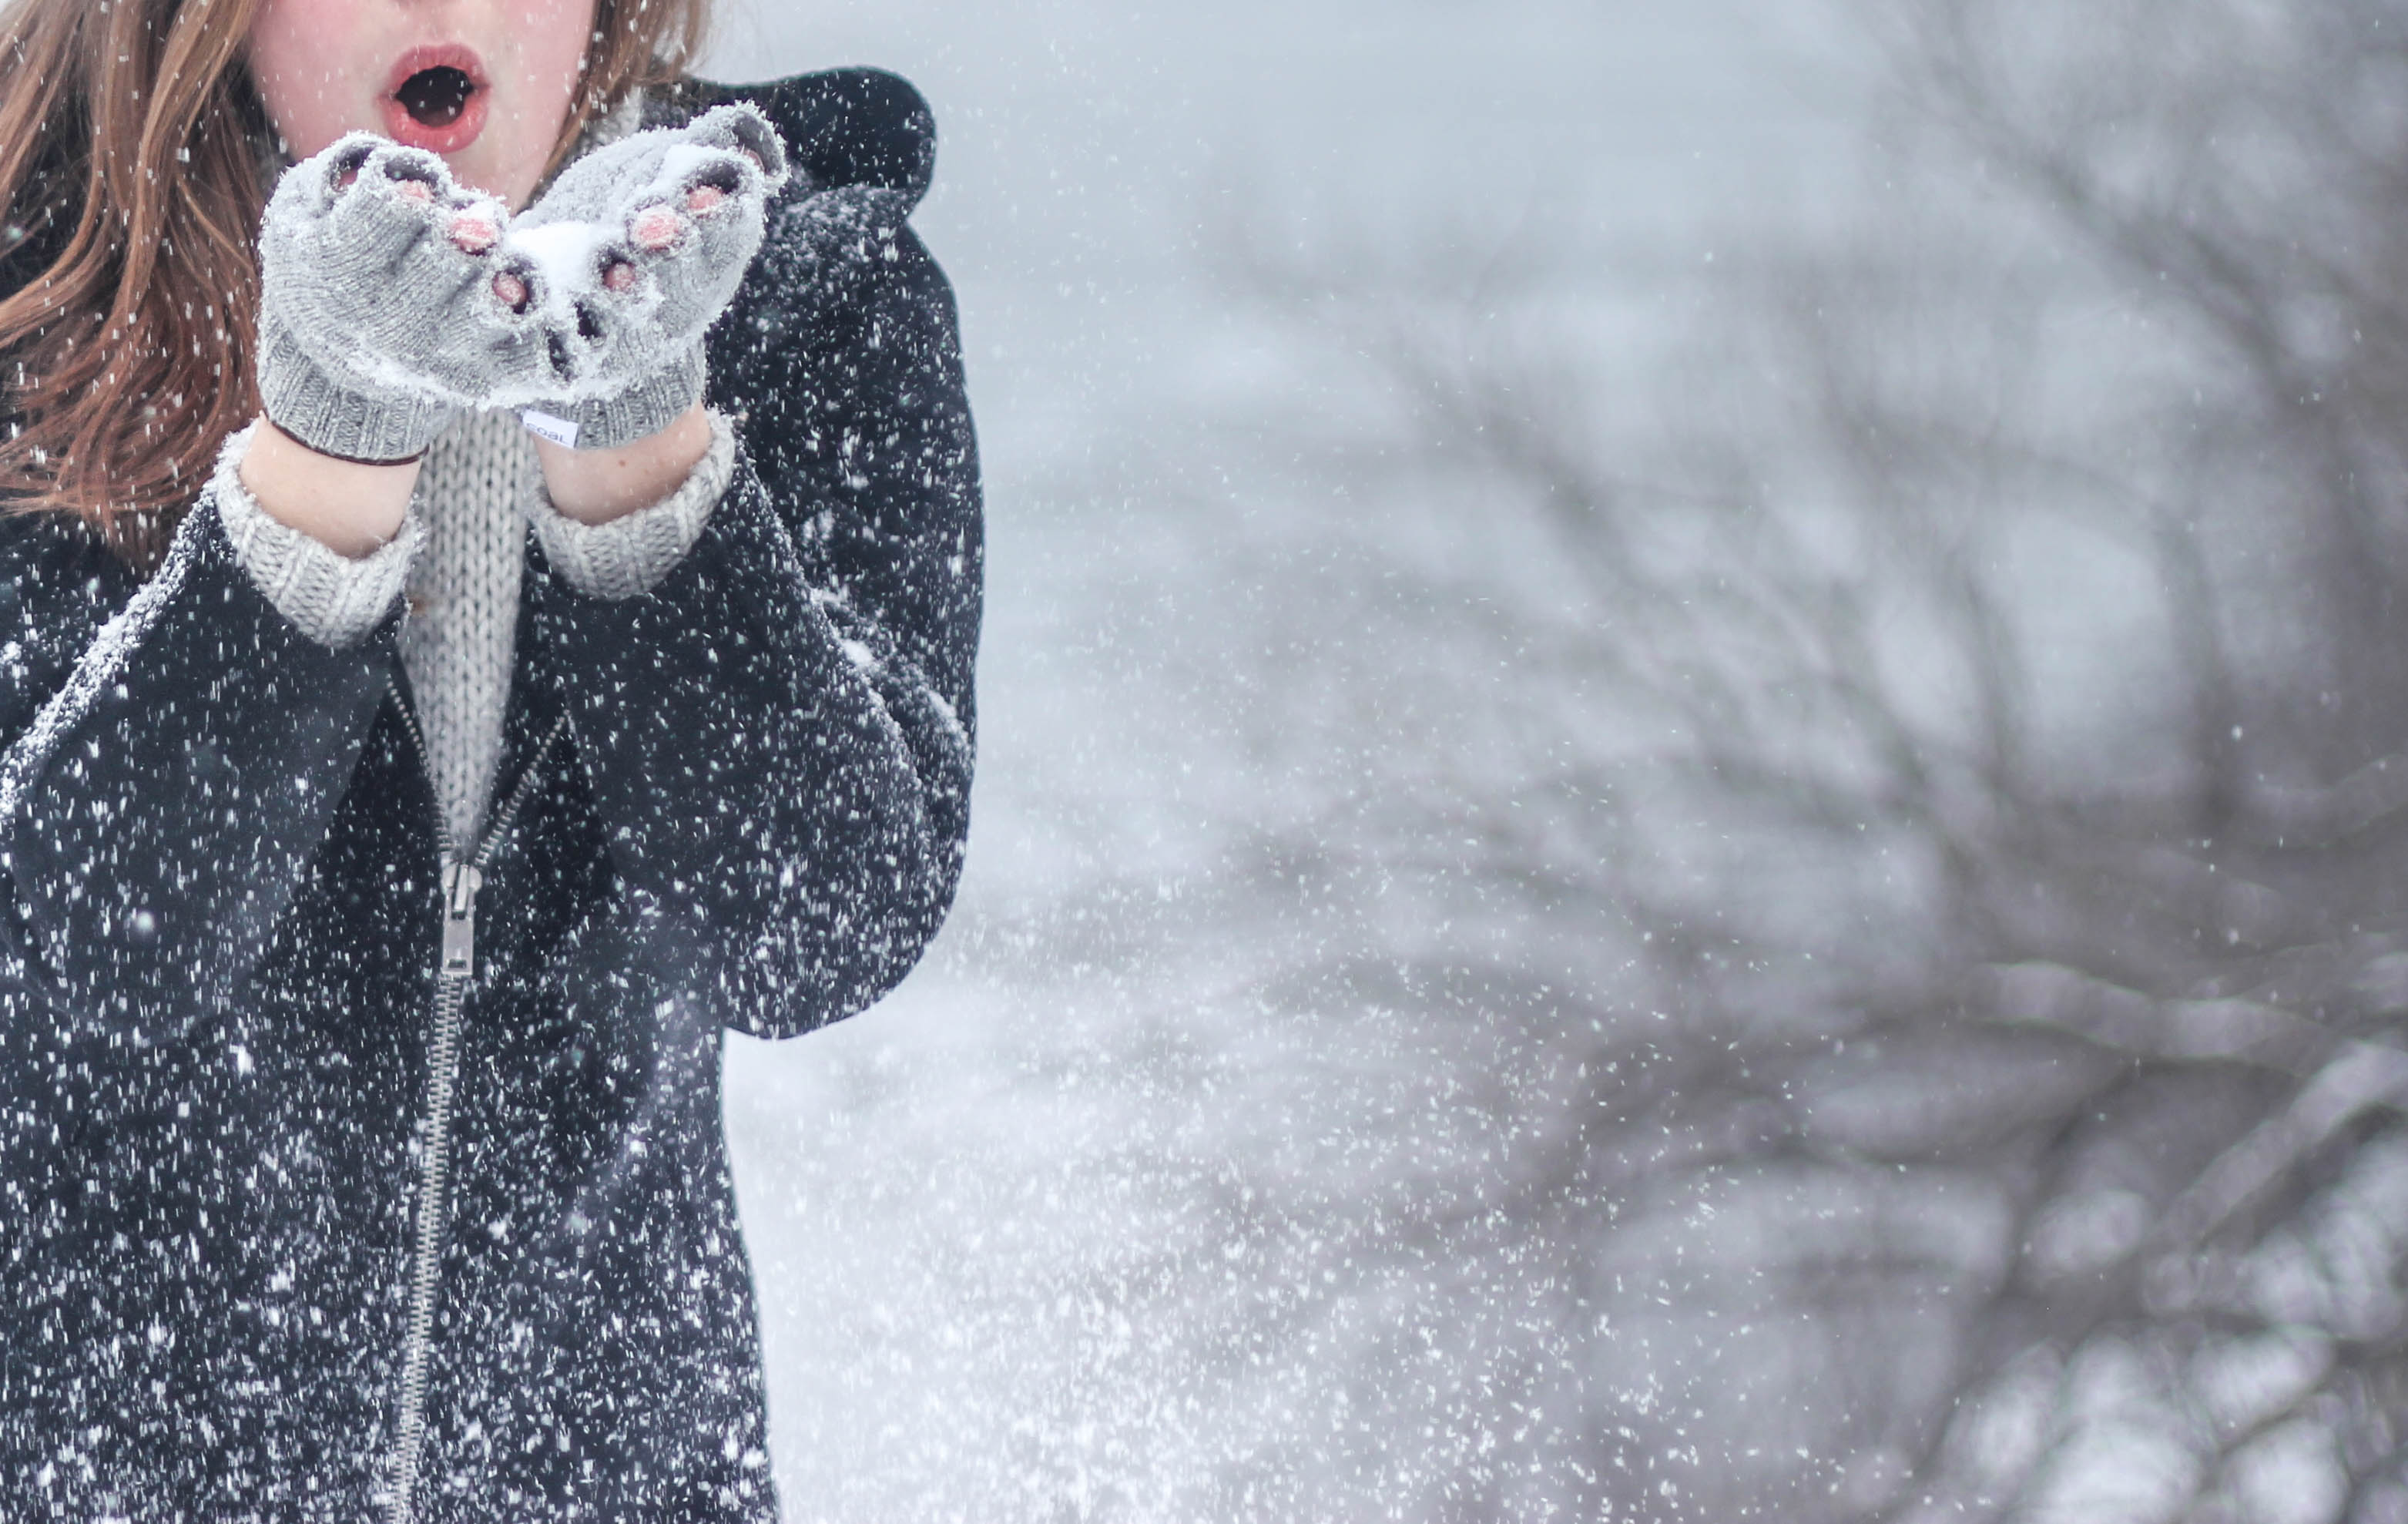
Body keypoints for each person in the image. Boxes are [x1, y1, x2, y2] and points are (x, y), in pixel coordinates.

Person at [0, 0, 981, 1516]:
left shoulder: (803, 297)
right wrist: (328, 446)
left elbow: (818, 928)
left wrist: (636, 436)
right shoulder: (37, 305)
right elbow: (73, 947)